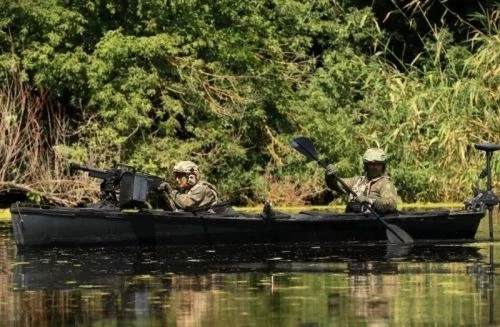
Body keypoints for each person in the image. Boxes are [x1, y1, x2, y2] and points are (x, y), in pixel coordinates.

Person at [324, 148, 398, 214]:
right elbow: (336, 184)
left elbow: (391, 205)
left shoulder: (385, 184)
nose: (375, 167)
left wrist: (370, 201)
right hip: (352, 221)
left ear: (383, 166)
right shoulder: (357, 181)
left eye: (378, 164)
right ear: (366, 166)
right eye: (371, 164)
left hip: (372, 223)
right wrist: (330, 177)